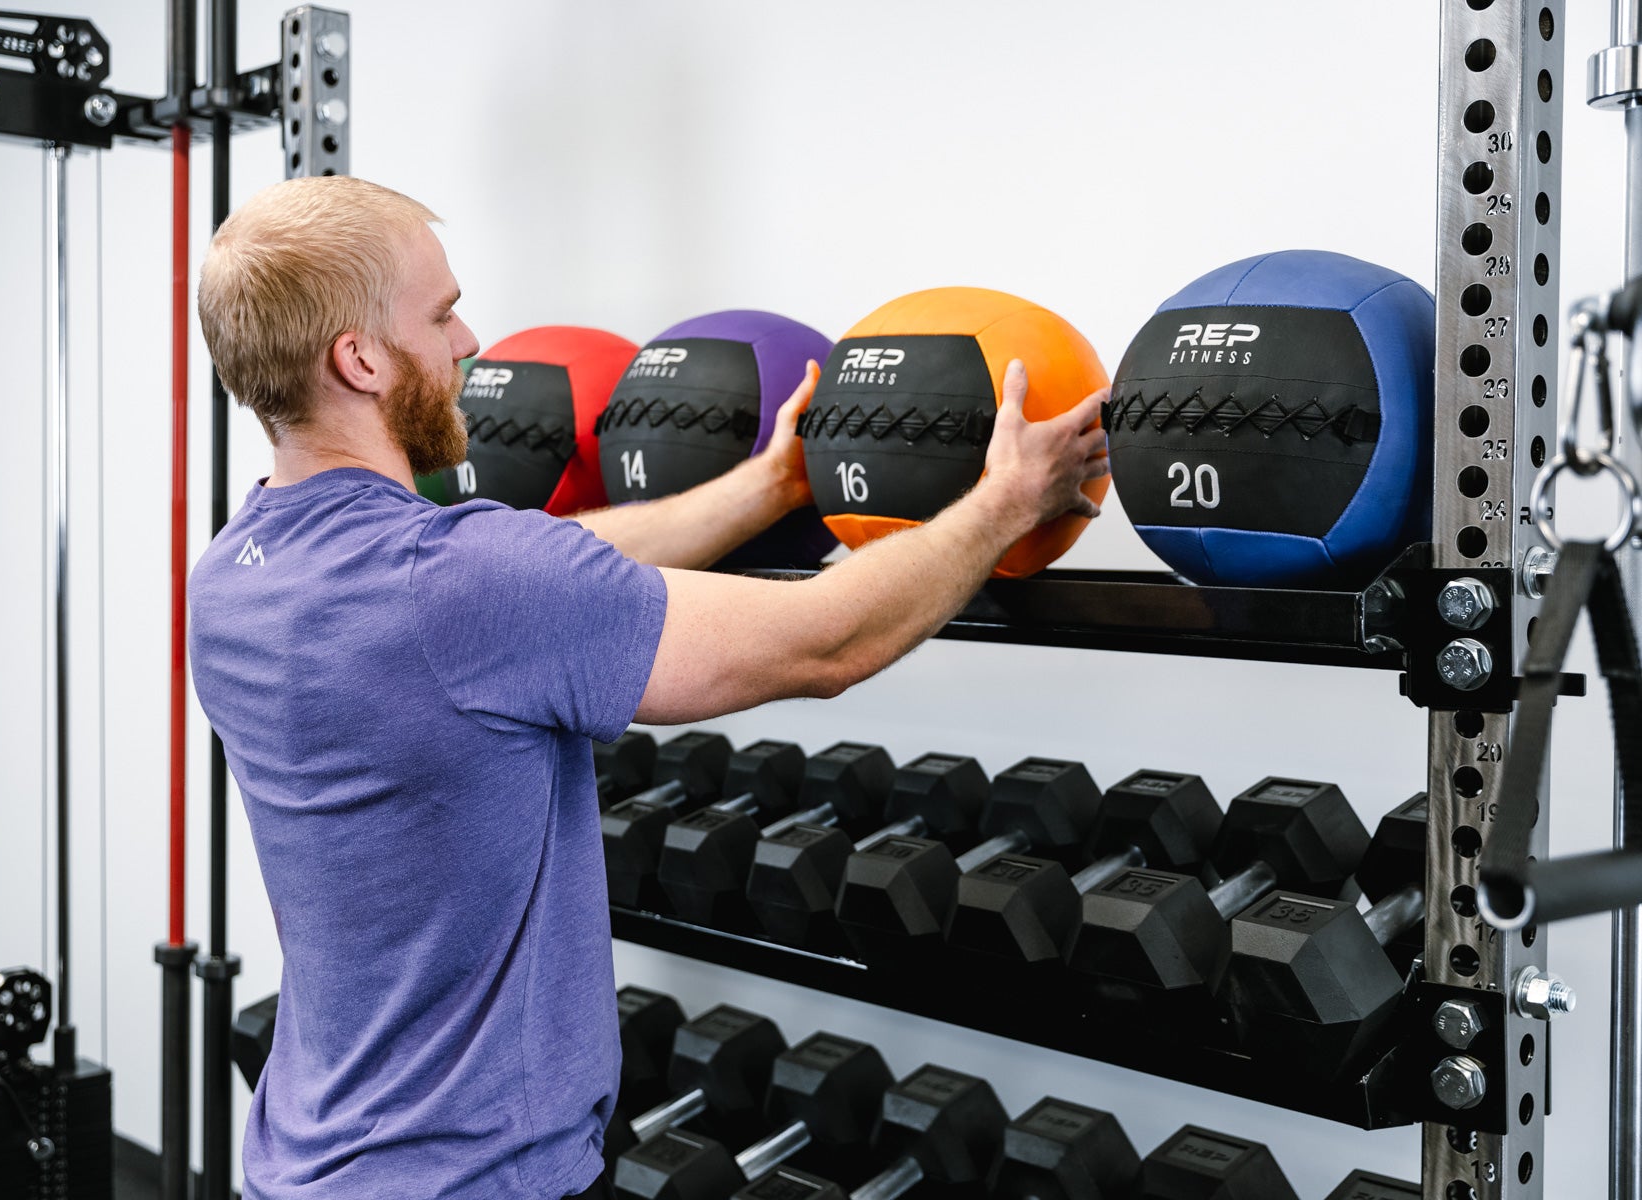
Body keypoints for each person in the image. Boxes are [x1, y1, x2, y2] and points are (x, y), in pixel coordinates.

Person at [190, 175, 1109, 1200]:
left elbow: (555, 565)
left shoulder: (233, 577)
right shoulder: (466, 586)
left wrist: (766, 487)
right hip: (467, 1178)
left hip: (306, 1160)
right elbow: (824, 641)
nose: (470, 340)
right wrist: (1004, 502)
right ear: (358, 359)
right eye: (441, 313)